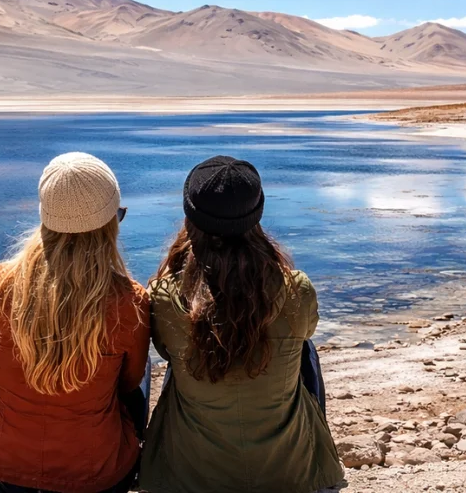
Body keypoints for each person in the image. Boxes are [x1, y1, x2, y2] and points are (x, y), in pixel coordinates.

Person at [141, 156, 344, 493]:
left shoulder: (164, 296)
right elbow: (306, 330)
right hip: (289, 472)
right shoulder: (297, 289)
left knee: (179, 363)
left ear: (190, 217)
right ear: (256, 215)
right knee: (304, 349)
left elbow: (163, 347)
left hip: (189, 475)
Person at [0, 152, 150, 493]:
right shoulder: (129, 301)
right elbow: (128, 384)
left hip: (4, 462)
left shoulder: (2, 282)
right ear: (109, 224)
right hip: (94, 471)